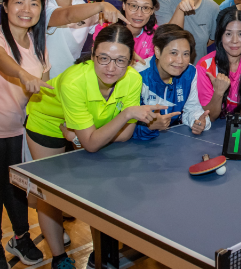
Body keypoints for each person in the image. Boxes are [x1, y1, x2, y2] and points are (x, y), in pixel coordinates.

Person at [25, 25, 166, 269]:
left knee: (98, 191)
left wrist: (80, 137)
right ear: (92, 56)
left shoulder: (132, 80)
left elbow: (125, 135)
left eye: (121, 61)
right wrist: (124, 116)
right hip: (48, 122)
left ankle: (99, 252)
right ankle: (59, 258)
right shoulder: (74, 81)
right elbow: (94, 142)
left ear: (131, 61)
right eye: (104, 58)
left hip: (91, 127)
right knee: (50, 196)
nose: (111, 68)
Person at [0, 0, 50, 268]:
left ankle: (20, 237)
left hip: (21, 128)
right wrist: (21, 74)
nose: (26, 9)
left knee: (17, 187)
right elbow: (0, 59)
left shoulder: (39, 45)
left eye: (34, 3)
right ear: (5, 6)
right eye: (18, 2)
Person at [45, 0, 128, 78]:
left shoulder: (82, 6)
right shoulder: (42, 6)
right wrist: (101, 5)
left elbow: (105, 33)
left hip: (72, 82)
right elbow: (67, 15)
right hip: (45, 84)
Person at [133, 25, 210, 140]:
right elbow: (125, 124)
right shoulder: (138, 75)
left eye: (185, 54)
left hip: (173, 142)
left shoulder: (190, 73)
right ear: (157, 52)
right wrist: (149, 126)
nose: (180, 61)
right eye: (173, 53)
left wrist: (197, 121)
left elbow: (192, 108)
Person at [93, 0, 159, 60]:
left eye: (146, 8)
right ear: (124, 5)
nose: (139, 14)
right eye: (133, 6)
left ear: (152, 11)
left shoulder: (156, 34)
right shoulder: (106, 28)